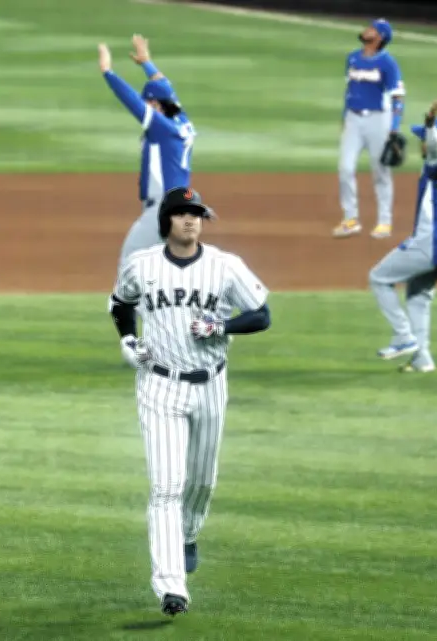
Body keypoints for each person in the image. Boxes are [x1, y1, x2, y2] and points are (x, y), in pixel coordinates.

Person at [109, 186, 272, 616]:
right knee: (166, 487)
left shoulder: (224, 267)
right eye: (182, 213)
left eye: (197, 214)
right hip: (159, 386)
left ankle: (188, 534)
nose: (191, 220)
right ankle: (171, 586)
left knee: (201, 483)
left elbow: (262, 314)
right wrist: (129, 340)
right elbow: (120, 304)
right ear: (167, 220)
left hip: (210, 385)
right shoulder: (141, 267)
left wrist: (223, 328)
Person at [369, 70, 437, 373]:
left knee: (379, 277)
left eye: (421, 138)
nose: (418, 142)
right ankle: (422, 358)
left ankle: (404, 337)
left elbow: (433, 150)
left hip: (435, 242)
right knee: (418, 293)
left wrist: (429, 125)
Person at [98, 37, 197, 269]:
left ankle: (130, 307)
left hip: (161, 210)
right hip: (181, 210)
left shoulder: (162, 127)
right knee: (166, 271)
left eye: (149, 102)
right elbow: (166, 88)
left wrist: (107, 72)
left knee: (130, 265)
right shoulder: (182, 121)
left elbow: (132, 102)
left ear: (156, 104)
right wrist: (147, 63)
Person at [333, 18, 406, 240]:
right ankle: (350, 219)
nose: (367, 30)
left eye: (373, 29)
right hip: (354, 119)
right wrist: (345, 117)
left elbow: (398, 98)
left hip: (378, 120)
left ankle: (384, 221)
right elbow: (350, 90)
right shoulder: (353, 58)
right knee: (345, 168)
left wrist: (394, 128)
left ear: (380, 37)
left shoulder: (388, 63)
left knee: (381, 171)